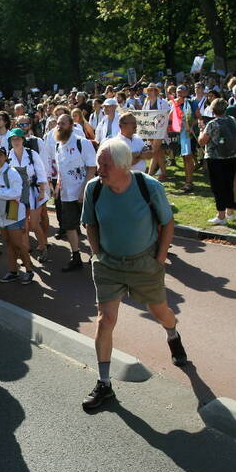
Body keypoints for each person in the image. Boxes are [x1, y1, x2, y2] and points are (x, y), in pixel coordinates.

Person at [81, 139, 187, 412]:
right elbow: (89, 223)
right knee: (106, 320)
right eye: (98, 163)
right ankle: (104, 384)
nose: (99, 168)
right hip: (108, 264)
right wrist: (97, 253)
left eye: (105, 164)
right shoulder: (93, 189)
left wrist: (160, 258)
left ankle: (172, 334)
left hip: (144, 264)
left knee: (160, 311)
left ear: (122, 165)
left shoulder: (148, 186)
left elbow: (167, 222)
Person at [52, 113, 97, 271]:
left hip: (83, 193)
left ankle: (95, 254)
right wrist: (58, 186)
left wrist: (84, 189)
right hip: (66, 194)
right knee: (70, 225)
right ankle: (75, 256)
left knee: (89, 225)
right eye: (58, 123)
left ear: (71, 125)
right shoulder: (58, 146)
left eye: (63, 123)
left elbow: (92, 167)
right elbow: (61, 170)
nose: (59, 126)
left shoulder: (81, 143)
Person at [0, 146, 34, 284]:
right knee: (8, 244)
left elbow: (17, 192)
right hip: (0, 214)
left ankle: (29, 271)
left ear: (5, 156)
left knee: (18, 244)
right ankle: (13, 271)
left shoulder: (12, 172)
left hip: (13, 213)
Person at [6, 128, 48, 261]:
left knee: (34, 224)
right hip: (16, 195)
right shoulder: (8, 156)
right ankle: (26, 254)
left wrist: (42, 191)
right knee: (22, 226)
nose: (16, 141)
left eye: (18, 138)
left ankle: (43, 247)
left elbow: (41, 173)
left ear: (23, 140)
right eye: (13, 139)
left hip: (33, 192)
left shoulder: (31, 154)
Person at [198, 100, 236, 225]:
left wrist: (201, 129)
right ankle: (230, 212)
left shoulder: (212, 124)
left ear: (212, 110)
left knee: (218, 187)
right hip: (232, 156)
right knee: (229, 184)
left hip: (216, 158)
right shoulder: (232, 120)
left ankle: (221, 215)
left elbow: (202, 141)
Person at [171, 86, 201, 191]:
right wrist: (176, 104)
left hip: (189, 134)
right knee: (184, 157)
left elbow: (199, 117)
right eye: (178, 92)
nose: (180, 94)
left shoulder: (192, 102)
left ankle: (189, 182)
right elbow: (170, 117)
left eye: (182, 91)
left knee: (188, 157)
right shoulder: (175, 103)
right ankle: (188, 180)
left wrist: (191, 124)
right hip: (179, 134)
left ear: (187, 92)